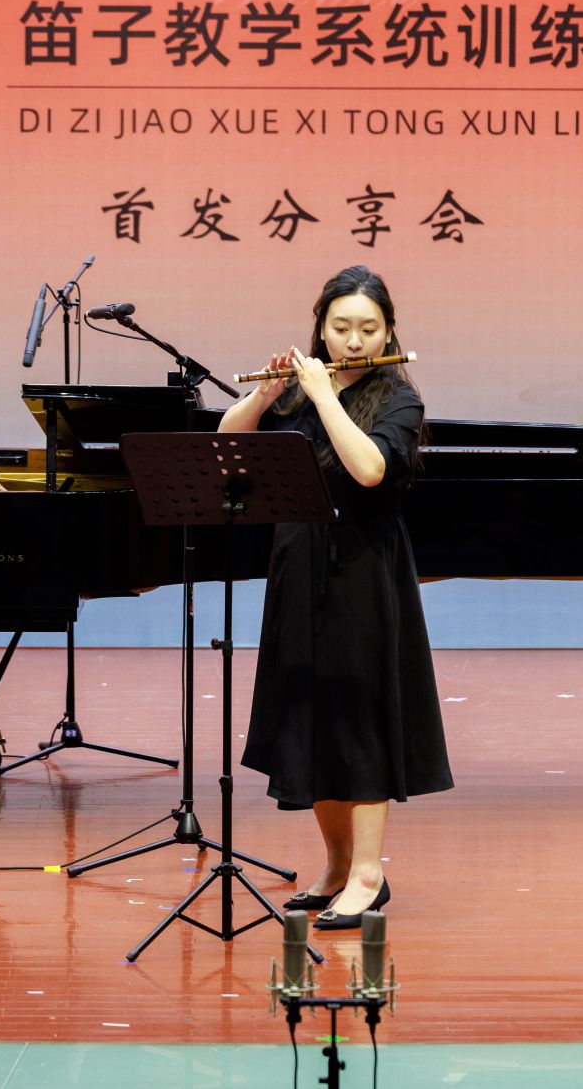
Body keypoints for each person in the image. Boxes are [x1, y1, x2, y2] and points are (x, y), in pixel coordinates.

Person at [220, 266, 452, 931]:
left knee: (358, 720)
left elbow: (370, 469)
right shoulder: (297, 391)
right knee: (308, 716)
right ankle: (337, 864)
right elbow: (230, 441)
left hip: (363, 573)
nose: (353, 340)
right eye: (341, 326)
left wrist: (324, 397)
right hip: (298, 564)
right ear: (320, 328)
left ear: (388, 331)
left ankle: (369, 876)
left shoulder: (399, 400)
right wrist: (266, 395)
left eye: (368, 328)